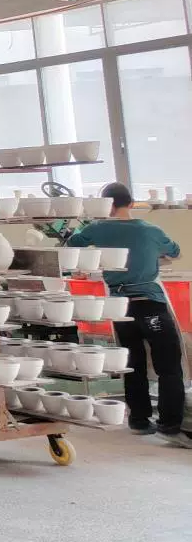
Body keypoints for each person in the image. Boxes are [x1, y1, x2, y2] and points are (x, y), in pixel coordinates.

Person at [68, 182, 187, 446]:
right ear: (131, 203)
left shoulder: (96, 229)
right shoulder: (150, 230)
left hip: (120, 307)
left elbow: (71, 244)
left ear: (106, 205)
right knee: (168, 365)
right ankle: (169, 425)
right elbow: (175, 252)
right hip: (149, 304)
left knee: (132, 363)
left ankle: (139, 420)